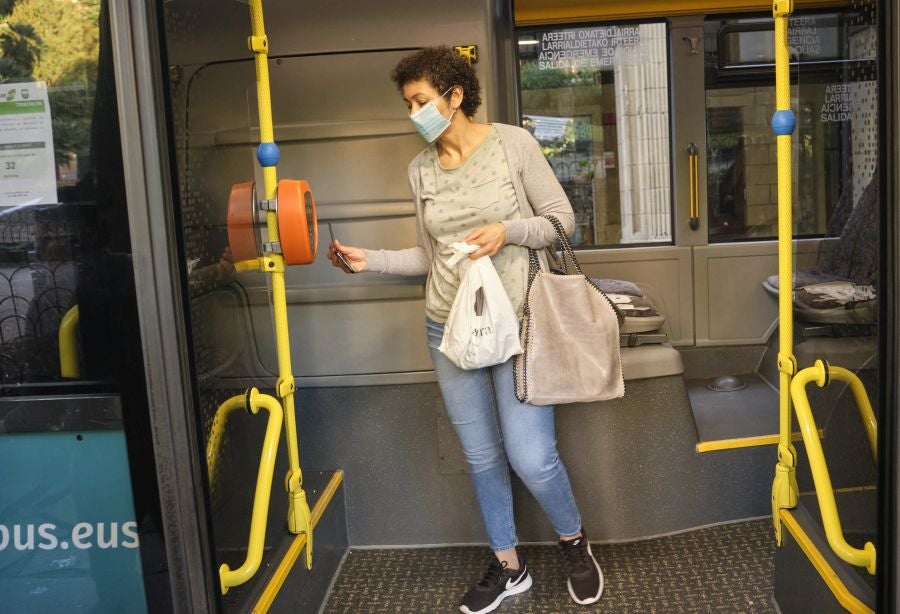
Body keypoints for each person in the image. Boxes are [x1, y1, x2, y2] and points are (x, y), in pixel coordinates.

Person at [327, 46, 603, 614]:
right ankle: (510, 567)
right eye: (408, 104)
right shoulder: (420, 169)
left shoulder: (512, 145)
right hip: (448, 328)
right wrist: (369, 260)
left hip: (521, 323)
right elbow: (433, 257)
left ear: (455, 97)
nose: (414, 114)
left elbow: (561, 222)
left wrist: (508, 230)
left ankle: (575, 542)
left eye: (421, 101)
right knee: (481, 456)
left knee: (531, 456)